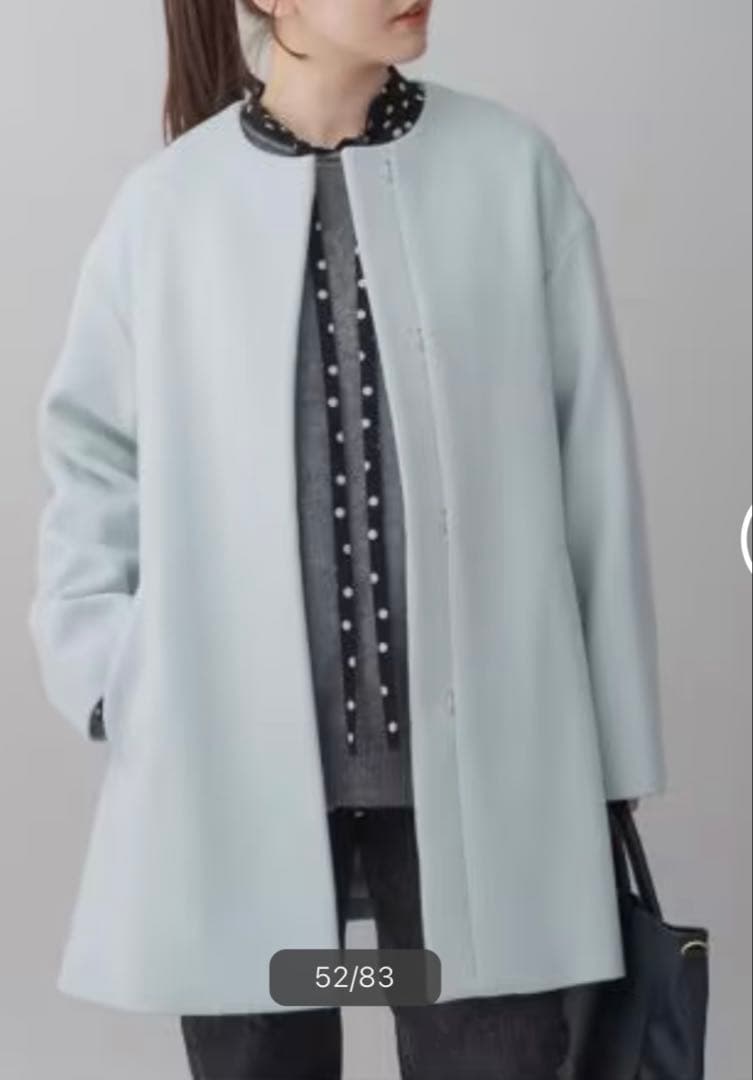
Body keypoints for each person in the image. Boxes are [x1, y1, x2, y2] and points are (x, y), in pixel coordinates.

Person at [28, 1, 665, 1077]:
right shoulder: (167, 211)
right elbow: (91, 460)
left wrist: (610, 748)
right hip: (230, 764)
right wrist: (108, 678)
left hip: (488, 767)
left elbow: (589, 471)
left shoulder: (509, 174)